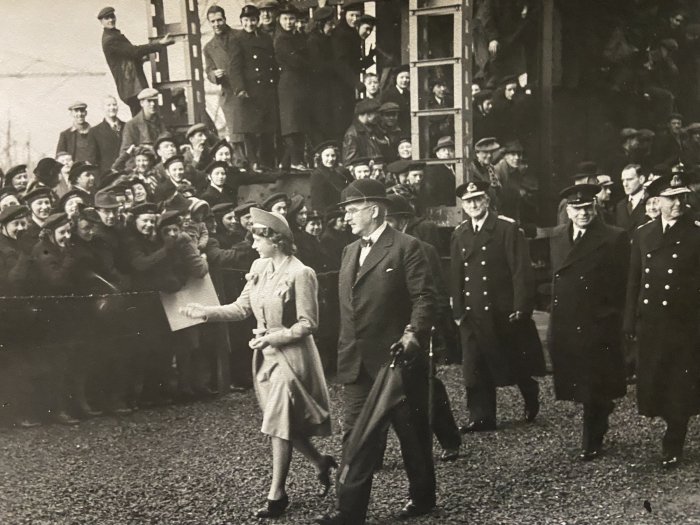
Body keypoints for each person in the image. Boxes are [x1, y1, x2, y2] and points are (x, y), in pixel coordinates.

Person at [180, 207, 335, 519]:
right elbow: (241, 308)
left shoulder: (301, 273)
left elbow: (309, 324)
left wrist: (274, 338)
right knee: (284, 421)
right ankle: (321, 463)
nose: (252, 245)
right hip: (264, 356)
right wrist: (205, 312)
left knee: (278, 422)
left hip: (292, 357)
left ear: (275, 240)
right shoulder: (259, 266)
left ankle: (277, 495)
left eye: (257, 239)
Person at [316, 179, 436, 525]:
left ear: (375, 210)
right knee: (355, 436)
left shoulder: (406, 247)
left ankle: (423, 497)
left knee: (411, 433)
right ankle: (349, 512)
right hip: (356, 363)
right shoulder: (349, 250)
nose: (347, 218)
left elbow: (424, 298)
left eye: (352, 210)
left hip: (396, 361)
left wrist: (413, 333)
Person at [450, 180, 545, 432]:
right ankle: (482, 416)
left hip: (502, 309)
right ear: (463, 205)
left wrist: (522, 306)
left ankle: (529, 391)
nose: (473, 204)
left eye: (478, 199)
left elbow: (520, 270)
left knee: (514, 360)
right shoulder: (460, 232)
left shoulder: (506, 228)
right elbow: (456, 273)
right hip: (472, 311)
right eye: (468, 201)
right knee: (474, 365)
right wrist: (458, 310)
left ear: (487, 201)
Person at [624, 173, 700, 468]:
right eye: (671, 198)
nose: (678, 203)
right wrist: (629, 320)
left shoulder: (696, 234)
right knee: (656, 379)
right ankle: (670, 424)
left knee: (680, 384)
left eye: (682, 197)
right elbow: (634, 279)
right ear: (657, 201)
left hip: (685, 323)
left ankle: (674, 441)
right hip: (652, 322)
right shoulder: (644, 233)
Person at [548, 184, 629, 461]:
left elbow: (623, 283)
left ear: (595, 208)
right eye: (577, 208)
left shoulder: (613, 238)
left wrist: (612, 316)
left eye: (587, 208)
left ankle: (591, 439)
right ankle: (601, 410)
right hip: (569, 320)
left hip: (598, 321)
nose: (583, 213)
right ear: (567, 211)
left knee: (593, 382)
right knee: (581, 381)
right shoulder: (558, 237)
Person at [98, 6, 174, 116]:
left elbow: (127, 56)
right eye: (107, 18)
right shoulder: (110, 39)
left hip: (134, 86)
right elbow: (134, 51)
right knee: (142, 120)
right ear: (101, 21)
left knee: (146, 118)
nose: (111, 20)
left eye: (112, 16)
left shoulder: (114, 35)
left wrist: (141, 59)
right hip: (132, 88)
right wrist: (160, 44)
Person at [229, 4, 278, 172]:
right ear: (242, 21)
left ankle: (267, 163)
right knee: (250, 131)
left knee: (267, 130)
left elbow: (272, 63)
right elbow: (234, 67)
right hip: (249, 92)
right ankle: (253, 163)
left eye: (253, 20)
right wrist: (240, 89)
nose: (250, 23)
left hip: (266, 90)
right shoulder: (237, 39)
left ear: (257, 21)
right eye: (246, 20)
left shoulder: (265, 38)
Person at [203, 5, 247, 169]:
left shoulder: (240, 36)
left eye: (219, 20)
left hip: (246, 90)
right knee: (236, 134)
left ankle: (258, 164)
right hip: (229, 94)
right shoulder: (209, 47)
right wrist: (215, 75)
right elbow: (208, 70)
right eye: (213, 21)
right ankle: (241, 165)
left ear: (225, 19)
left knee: (252, 131)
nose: (217, 24)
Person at [330, 2, 376, 139]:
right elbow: (340, 63)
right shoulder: (340, 34)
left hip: (345, 85)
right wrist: (357, 83)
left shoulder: (352, 34)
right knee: (340, 121)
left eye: (357, 16)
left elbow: (353, 64)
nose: (354, 19)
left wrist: (369, 59)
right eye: (351, 15)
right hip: (336, 85)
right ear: (344, 15)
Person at [275, 5, 311, 170]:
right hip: (289, 85)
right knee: (291, 124)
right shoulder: (281, 39)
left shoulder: (296, 37)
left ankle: (292, 162)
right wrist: (308, 61)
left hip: (300, 85)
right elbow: (296, 61)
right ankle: (296, 161)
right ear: (279, 20)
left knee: (299, 123)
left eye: (291, 19)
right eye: (285, 19)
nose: (289, 22)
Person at [307, 6, 339, 147]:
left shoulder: (326, 39)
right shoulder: (314, 41)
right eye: (330, 24)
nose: (332, 27)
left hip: (326, 88)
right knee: (321, 121)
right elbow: (317, 66)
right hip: (317, 89)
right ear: (321, 25)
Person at [309, 141, 353, 213]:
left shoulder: (339, 172)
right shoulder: (317, 175)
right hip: (330, 214)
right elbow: (317, 204)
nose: (330, 159)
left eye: (333, 155)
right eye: (327, 156)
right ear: (320, 157)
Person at [120, 88, 168, 154]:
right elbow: (125, 153)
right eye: (149, 101)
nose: (153, 104)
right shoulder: (132, 125)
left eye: (155, 100)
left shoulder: (161, 122)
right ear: (142, 103)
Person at [89, 95, 125, 180]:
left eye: (114, 104)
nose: (112, 108)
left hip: (127, 175)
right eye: (108, 105)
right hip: (107, 178)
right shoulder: (94, 132)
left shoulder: (127, 127)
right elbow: (93, 161)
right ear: (103, 108)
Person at [615, 164, 649, 232]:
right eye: (623, 180)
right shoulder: (620, 206)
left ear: (641, 179)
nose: (625, 184)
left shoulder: (651, 202)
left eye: (629, 179)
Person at [380, 64, 411, 133]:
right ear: (396, 78)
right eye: (401, 77)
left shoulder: (409, 94)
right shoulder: (388, 94)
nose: (405, 80)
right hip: (393, 131)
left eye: (407, 77)